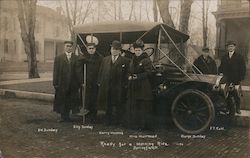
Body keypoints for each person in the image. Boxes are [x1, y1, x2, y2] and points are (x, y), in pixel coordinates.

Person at [97, 40, 130, 125]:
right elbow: (101, 72)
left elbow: (127, 74)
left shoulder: (125, 61)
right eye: (112, 49)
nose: (114, 50)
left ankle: (119, 121)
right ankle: (107, 120)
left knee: (119, 103)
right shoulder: (105, 60)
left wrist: (125, 85)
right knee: (107, 103)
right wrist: (100, 82)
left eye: (116, 49)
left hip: (119, 86)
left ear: (119, 51)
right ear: (110, 49)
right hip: (107, 85)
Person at [126, 40, 153, 130]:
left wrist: (137, 76)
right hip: (133, 86)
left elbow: (149, 73)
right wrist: (129, 76)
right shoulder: (133, 59)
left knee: (142, 106)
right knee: (134, 105)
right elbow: (129, 70)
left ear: (142, 50)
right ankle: (134, 124)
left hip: (142, 86)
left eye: (139, 50)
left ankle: (143, 126)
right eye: (136, 50)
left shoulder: (146, 60)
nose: (137, 52)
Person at [53, 41, 82, 122]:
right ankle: (63, 116)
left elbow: (78, 71)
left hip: (73, 83)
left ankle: (68, 116)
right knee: (63, 100)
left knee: (71, 100)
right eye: (67, 46)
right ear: (64, 47)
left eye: (70, 46)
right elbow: (56, 71)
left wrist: (80, 82)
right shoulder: (59, 58)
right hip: (62, 83)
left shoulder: (76, 58)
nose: (69, 47)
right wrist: (55, 83)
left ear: (72, 48)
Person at [218, 40, 246, 114]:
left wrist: (241, 77)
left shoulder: (239, 57)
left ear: (234, 47)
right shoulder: (224, 57)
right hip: (226, 78)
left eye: (232, 46)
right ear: (227, 48)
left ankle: (237, 108)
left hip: (236, 78)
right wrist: (220, 72)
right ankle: (227, 107)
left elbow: (243, 68)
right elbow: (221, 67)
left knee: (236, 92)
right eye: (229, 46)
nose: (230, 48)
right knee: (225, 92)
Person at [81, 42, 103, 122]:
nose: (91, 50)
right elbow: (80, 69)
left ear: (95, 49)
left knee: (94, 98)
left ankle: (94, 114)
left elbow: (102, 70)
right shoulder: (83, 57)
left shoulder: (100, 58)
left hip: (95, 81)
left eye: (92, 48)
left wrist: (99, 80)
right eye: (89, 48)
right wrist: (82, 80)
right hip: (87, 81)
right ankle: (88, 112)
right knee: (87, 98)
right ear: (87, 49)